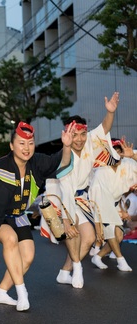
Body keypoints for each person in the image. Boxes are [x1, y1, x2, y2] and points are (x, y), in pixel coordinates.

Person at [0, 121, 74, 312]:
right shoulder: (1, 166)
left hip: (19, 215)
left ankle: (1, 291)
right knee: (10, 238)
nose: (26, 148)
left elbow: (61, 162)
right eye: (21, 143)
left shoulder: (36, 162)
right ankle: (22, 292)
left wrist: (66, 146)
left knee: (28, 256)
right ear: (12, 146)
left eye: (30, 143)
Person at [55, 92, 121, 288]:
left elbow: (104, 129)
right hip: (63, 198)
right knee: (75, 233)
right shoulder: (64, 158)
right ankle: (77, 268)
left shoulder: (90, 142)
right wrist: (66, 221)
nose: (79, 139)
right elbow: (66, 191)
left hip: (81, 197)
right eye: (74, 135)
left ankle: (64, 272)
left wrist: (110, 112)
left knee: (90, 237)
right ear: (66, 135)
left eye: (82, 134)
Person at [89, 138, 137, 271]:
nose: (116, 156)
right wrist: (98, 225)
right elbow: (95, 200)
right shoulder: (100, 172)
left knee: (119, 236)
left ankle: (97, 257)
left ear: (122, 153)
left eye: (119, 152)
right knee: (111, 233)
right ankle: (121, 260)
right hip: (101, 205)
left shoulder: (127, 164)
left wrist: (132, 155)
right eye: (112, 152)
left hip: (116, 202)